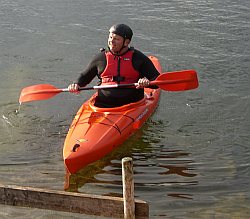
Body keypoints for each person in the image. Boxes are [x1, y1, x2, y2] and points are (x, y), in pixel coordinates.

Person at [68, 24, 160, 108]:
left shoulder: (138, 58)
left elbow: (157, 81)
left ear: (126, 42)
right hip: (103, 105)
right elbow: (84, 77)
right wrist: (76, 85)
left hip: (132, 105)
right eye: (110, 37)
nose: (111, 41)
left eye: (116, 39)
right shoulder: (100, 58)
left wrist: (147, 82)